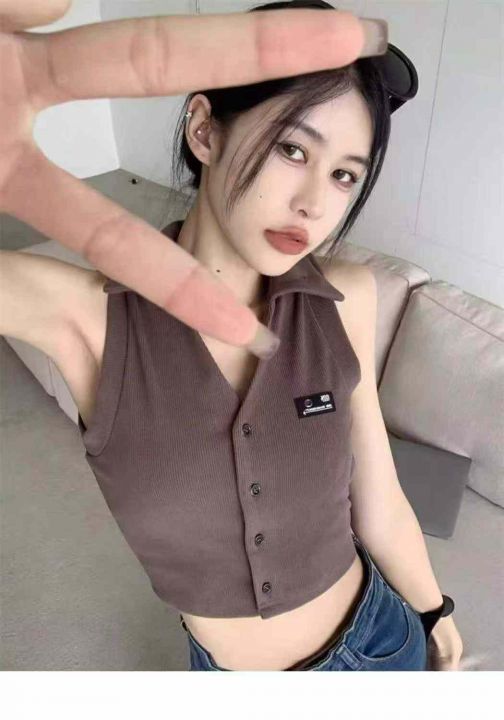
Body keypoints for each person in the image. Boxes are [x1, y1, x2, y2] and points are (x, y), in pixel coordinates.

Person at [1, 0, 436, 672]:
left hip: (385, 642)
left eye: (344, 174)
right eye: (293, 149)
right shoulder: (88, 319)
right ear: (205, 131)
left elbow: (379, 500)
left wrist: (435, 615)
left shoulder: (347, 298)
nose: (314, 204)